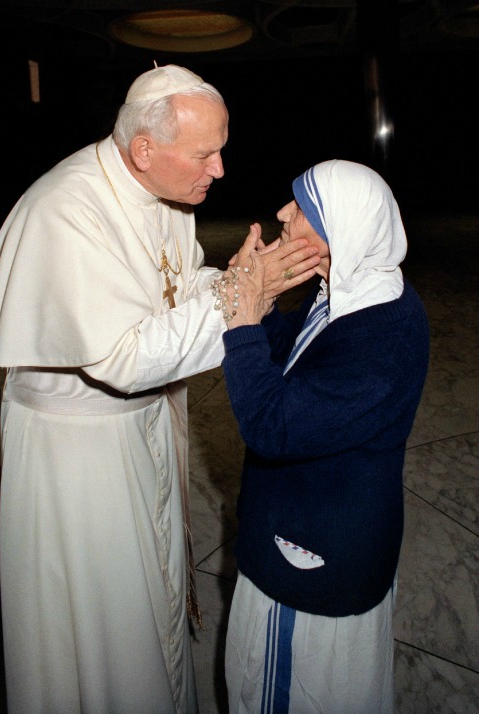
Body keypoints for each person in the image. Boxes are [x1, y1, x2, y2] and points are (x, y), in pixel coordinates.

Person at [0, 64, 319, 714]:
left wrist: (232, 279)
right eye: (205, 153)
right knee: (107, 632)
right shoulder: (67, 212)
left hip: (137, 432)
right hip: (78, 462)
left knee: (151, 606)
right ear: (145, 150)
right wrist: (241, 298)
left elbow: (177, 285)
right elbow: (126, 357)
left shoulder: (161, 193)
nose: (219, 170)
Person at [214, 160, 430, 713]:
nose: (284, 213)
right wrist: (261, 306)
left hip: (313, 560)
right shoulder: (358, 290)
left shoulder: (381, 344)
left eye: (304, 208)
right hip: (320, 530)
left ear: (345, 231)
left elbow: (272, 425)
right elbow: (299, 351)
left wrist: (240, 322)